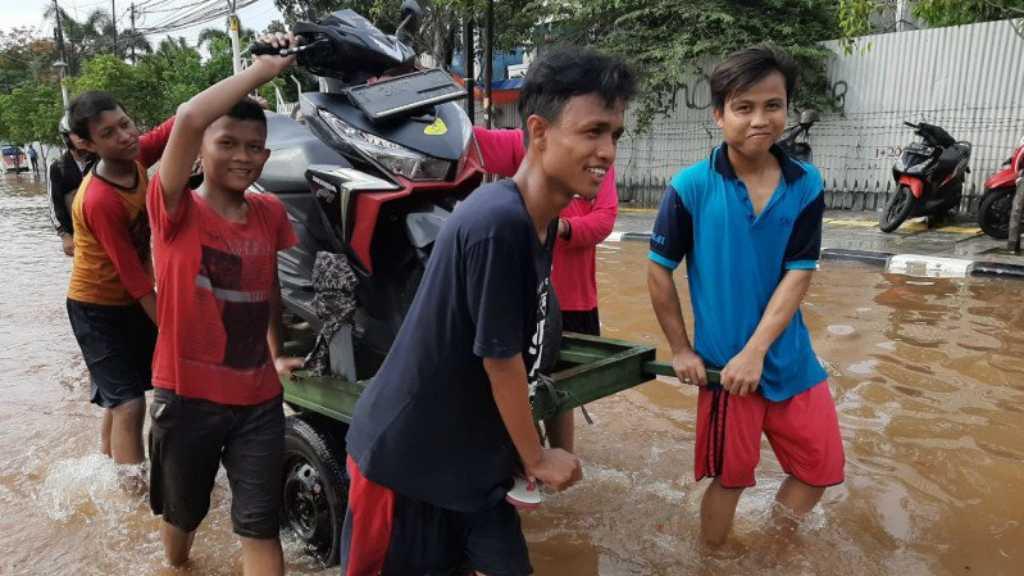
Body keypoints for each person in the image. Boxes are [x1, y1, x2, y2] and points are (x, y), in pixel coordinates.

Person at [340, 46, 635, 575]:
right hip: (404, 466)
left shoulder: (539, 222)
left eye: (614, 134)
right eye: (593, 131)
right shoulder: (500, 222)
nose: (607, 150)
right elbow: (499, 361)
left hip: (471, 466)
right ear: (540, 132)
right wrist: (538, 457)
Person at [647, 45, 844, 548]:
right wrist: (681, 349)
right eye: (744, 107)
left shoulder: (807, 183)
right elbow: (658, 271)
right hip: (724, 371)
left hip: (791, 361)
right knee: (730, 480)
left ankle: (771, 554)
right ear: (719, 115)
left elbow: (799, 273)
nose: (760, 119)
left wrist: (757, 351)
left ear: (787, 109)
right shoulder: (690, 187)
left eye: (773, 105)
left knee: (819, 469)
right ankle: (711, 561)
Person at [145, 33, 302, 574]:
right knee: (184, 516)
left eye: (255, 147)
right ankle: (178, 567)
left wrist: (278, 353)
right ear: (199, 152)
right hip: (185, 400)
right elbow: (189, 116)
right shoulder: (173, 210)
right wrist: (263, 70)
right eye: (228, 143)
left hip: (258, 400)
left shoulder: (270, 214)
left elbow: (270, 290)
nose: (244, 157)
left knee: (259, 524)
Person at [473, 120, 618, 452]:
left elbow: (605, 219)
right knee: (512, 379)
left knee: (561, 387)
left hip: (572, 300)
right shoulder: (525, 145)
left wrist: (559, 226)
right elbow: (468, 142)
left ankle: (560, 459)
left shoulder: (598, 162)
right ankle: (528, 455)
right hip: (524, 297)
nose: (604, 147)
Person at [65, 91, 174, 465]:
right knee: (129, 404)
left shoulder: (137, 158)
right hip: (95, 309)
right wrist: (173, 330)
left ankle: (107, 469)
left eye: (125, 124)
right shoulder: (99, 199)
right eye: (109, 133)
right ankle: (134, 498)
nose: (125, 136)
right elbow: (134, 278)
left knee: (122, 396)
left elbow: (180, 123)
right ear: (87, 143)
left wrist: (235, 98)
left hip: (129, 304)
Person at [50, 116, 94, 256]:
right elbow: (55, 203)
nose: (80, 137)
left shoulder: (102, 160)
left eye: (83, 132)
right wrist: (65, 235)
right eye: (75, 133)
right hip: (78, 234)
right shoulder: (58, 166)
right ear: (67, 137)